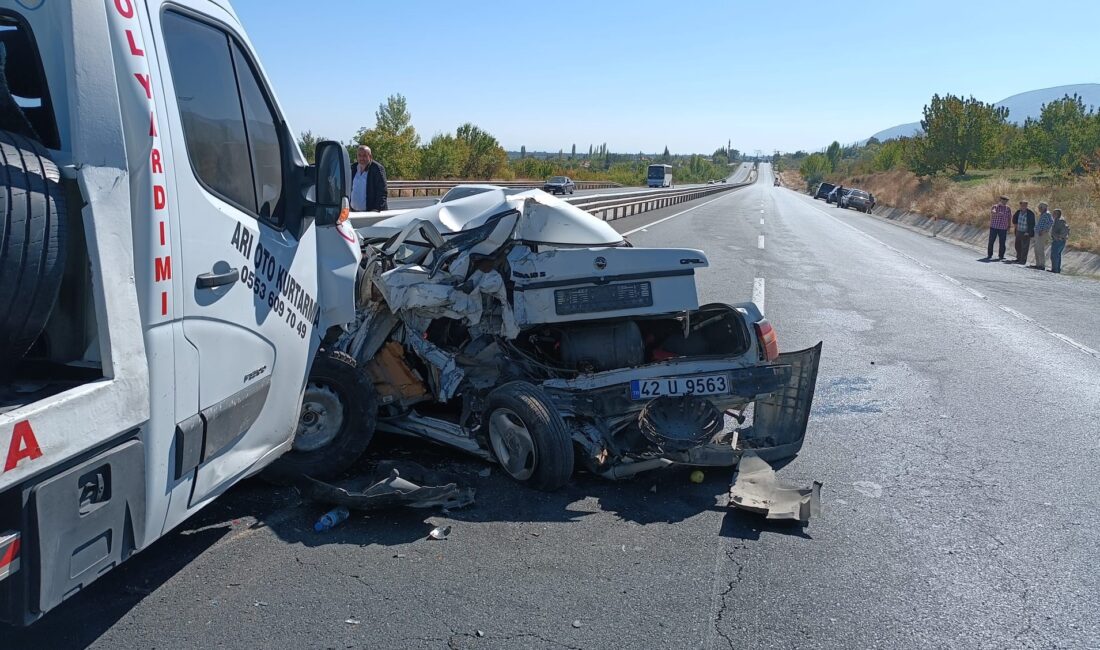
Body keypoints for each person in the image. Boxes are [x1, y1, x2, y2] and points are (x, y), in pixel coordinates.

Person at [348, 145, 388, 212]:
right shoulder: (353, 168)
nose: (361, 158)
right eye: (359, 155)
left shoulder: (377, 169)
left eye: (364, 155)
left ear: (370, 156)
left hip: (370, 213)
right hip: (353, 212)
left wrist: (376, 210)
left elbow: (382, 192)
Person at [985, 195, 1012, 261]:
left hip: (1003, 228)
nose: (1004, 202)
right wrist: (997, 213)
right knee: (991, 241)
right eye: (1003, 200)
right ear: (1000, 200)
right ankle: (989, 254)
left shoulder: (1008, 208)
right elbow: (993, 212)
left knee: (1002, 242)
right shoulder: (995, 206)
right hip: (994, 227)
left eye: (1006, 201)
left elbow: (1009, 218)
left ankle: (1001, 256)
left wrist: (1009, 226)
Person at [1010, 200, 1035, 264]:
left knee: (1025, 247)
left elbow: (1032, 224)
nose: (1023, 206)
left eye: (1025, 205)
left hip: (1025, 232)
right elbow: (1014, 219)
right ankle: (1018, 258)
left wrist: (1028, 232)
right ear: (1020, 206)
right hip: (1018, 231)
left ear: (1027, 206)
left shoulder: (1030, 213)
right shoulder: (1018, 212)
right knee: (1017, 245)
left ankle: (1023, 260)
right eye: (1022, 205)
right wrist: (1015, 225)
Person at [1031, 202, 1053, 270]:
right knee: (1036, 249)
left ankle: (1042, 265)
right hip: (1038, 233)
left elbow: (1050, 223)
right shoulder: (1042, 214)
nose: (1039, 209)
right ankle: (1038, 264)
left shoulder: (1047, 214)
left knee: (1040, 249)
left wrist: (1043, 231)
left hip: (1042, 233)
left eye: (1040, 207)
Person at [1050, 209, 1069, 274]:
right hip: (1057, 240)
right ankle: (1056, 269)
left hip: (1059, 241)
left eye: (1054, 213)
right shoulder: (1056, 220)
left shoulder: (1060, 221)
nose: (1053, 214)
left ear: (1057, 214)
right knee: (1056, 255)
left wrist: (1060, 237)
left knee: (1055, 255)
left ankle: (1055, 270)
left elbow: (1066, 229)